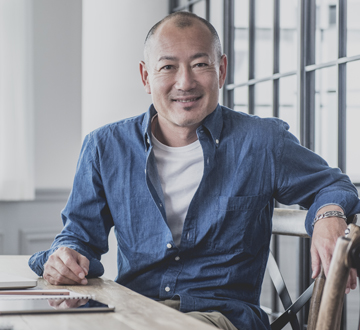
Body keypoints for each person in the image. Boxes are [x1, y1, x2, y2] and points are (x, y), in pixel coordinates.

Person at [29, 11, 360, 330]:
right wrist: (64, 258)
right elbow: (79, 239)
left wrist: (329, 214)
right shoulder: (104, 147)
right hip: (131, 309)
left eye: (200, 64)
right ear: (146, 76)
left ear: (222, 69)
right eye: (168, 67)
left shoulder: (262, 142)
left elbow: (332, 186)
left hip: (221, 316)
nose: (184, 82)